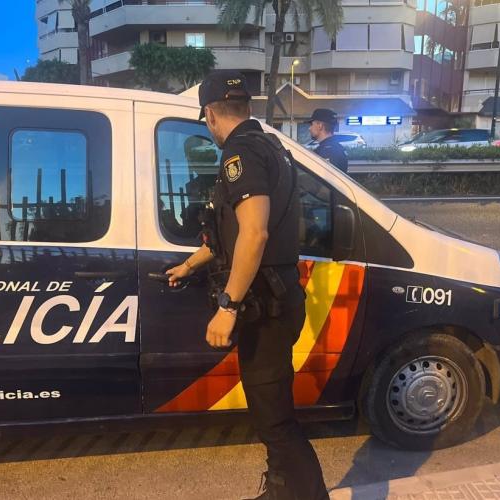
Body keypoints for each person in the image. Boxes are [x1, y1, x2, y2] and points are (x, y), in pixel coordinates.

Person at [166, 70, 329, 500]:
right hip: (277, 298)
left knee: (275, 419)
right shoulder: (271, 146)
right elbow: (232, 234)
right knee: (268, 410)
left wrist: (228, 305)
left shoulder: (240, 153)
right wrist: (189, 265)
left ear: (210, 114)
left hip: (265, 306)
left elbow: (254, 234)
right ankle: (282, 489)